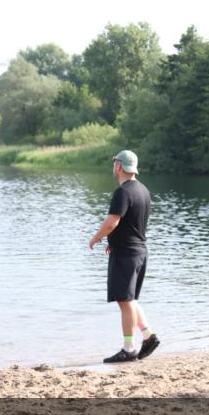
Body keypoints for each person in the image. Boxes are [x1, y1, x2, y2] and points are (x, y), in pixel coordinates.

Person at [88, 150, 160, 363]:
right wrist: (113, 241)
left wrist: (96, 238)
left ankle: (129, 348)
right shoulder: (143, 190)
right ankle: (148, 336)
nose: (114, 167)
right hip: (138, 251)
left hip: (127, 254)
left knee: (125, 300)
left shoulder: (123, 192)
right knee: (129, 299)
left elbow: (113, 222)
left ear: (119, 166)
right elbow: (132, 223)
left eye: (115, 164)